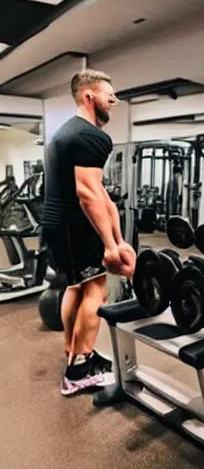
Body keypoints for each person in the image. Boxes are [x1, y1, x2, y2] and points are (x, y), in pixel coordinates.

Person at [41, 69, 136, 397]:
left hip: (56, 226)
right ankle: (79, 370)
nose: (114, 100)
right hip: (75, 226)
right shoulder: (92, 137)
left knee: (74, 286)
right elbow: (88, 194)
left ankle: (73, 351)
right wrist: (111, 246)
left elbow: (101, 193)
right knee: (97, 289)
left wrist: (120, 239)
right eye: (109, 94)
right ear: (88, 96)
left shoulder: (64, 133)